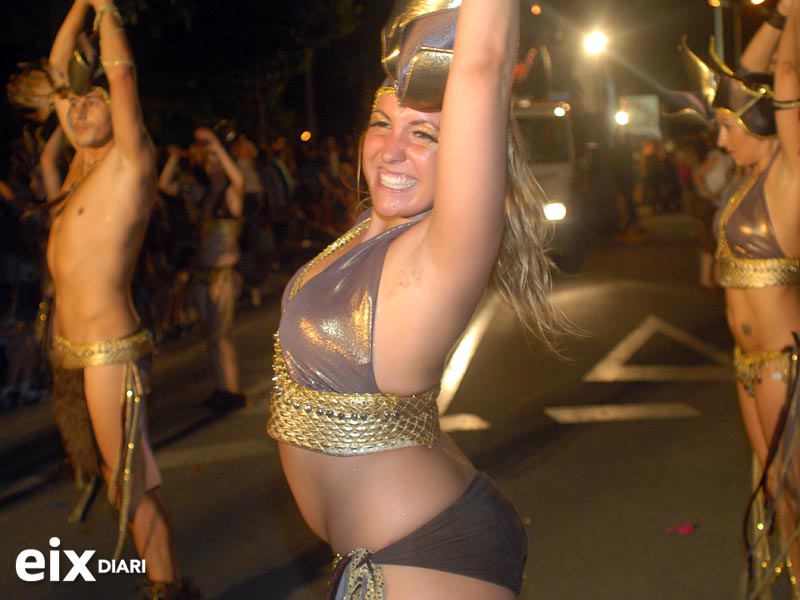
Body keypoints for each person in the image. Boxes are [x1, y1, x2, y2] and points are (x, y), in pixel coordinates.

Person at [266, 1, 566, 598]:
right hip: (380, 550)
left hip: (427, 558)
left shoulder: (445, 252)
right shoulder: (363, 234)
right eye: (381, 124)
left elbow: (481, 65)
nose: (391, 149)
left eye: (424, 133)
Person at [8, 1, 199, 597]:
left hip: (108, 352)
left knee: (126, 481)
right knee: (131, 476)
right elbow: (58, 69)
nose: (81, 108)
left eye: (95, 101)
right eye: (73, 104)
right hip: (76, 351)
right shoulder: (76, 171)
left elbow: (120, 74)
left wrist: (108, 10)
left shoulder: (129, 162)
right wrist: (79, 5)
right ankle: (169, 583)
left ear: (118, 111)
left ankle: (164, 589)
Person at [685, 0, 800, 595]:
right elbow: (742, 76)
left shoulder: (791, 174)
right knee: (774, 488)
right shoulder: (746, 178)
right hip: (748, 366)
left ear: (764, 124)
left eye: (732, 127)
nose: (722, 138)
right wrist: (776, 16)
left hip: (785, 364)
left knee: (796, 488)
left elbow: (783, 76)